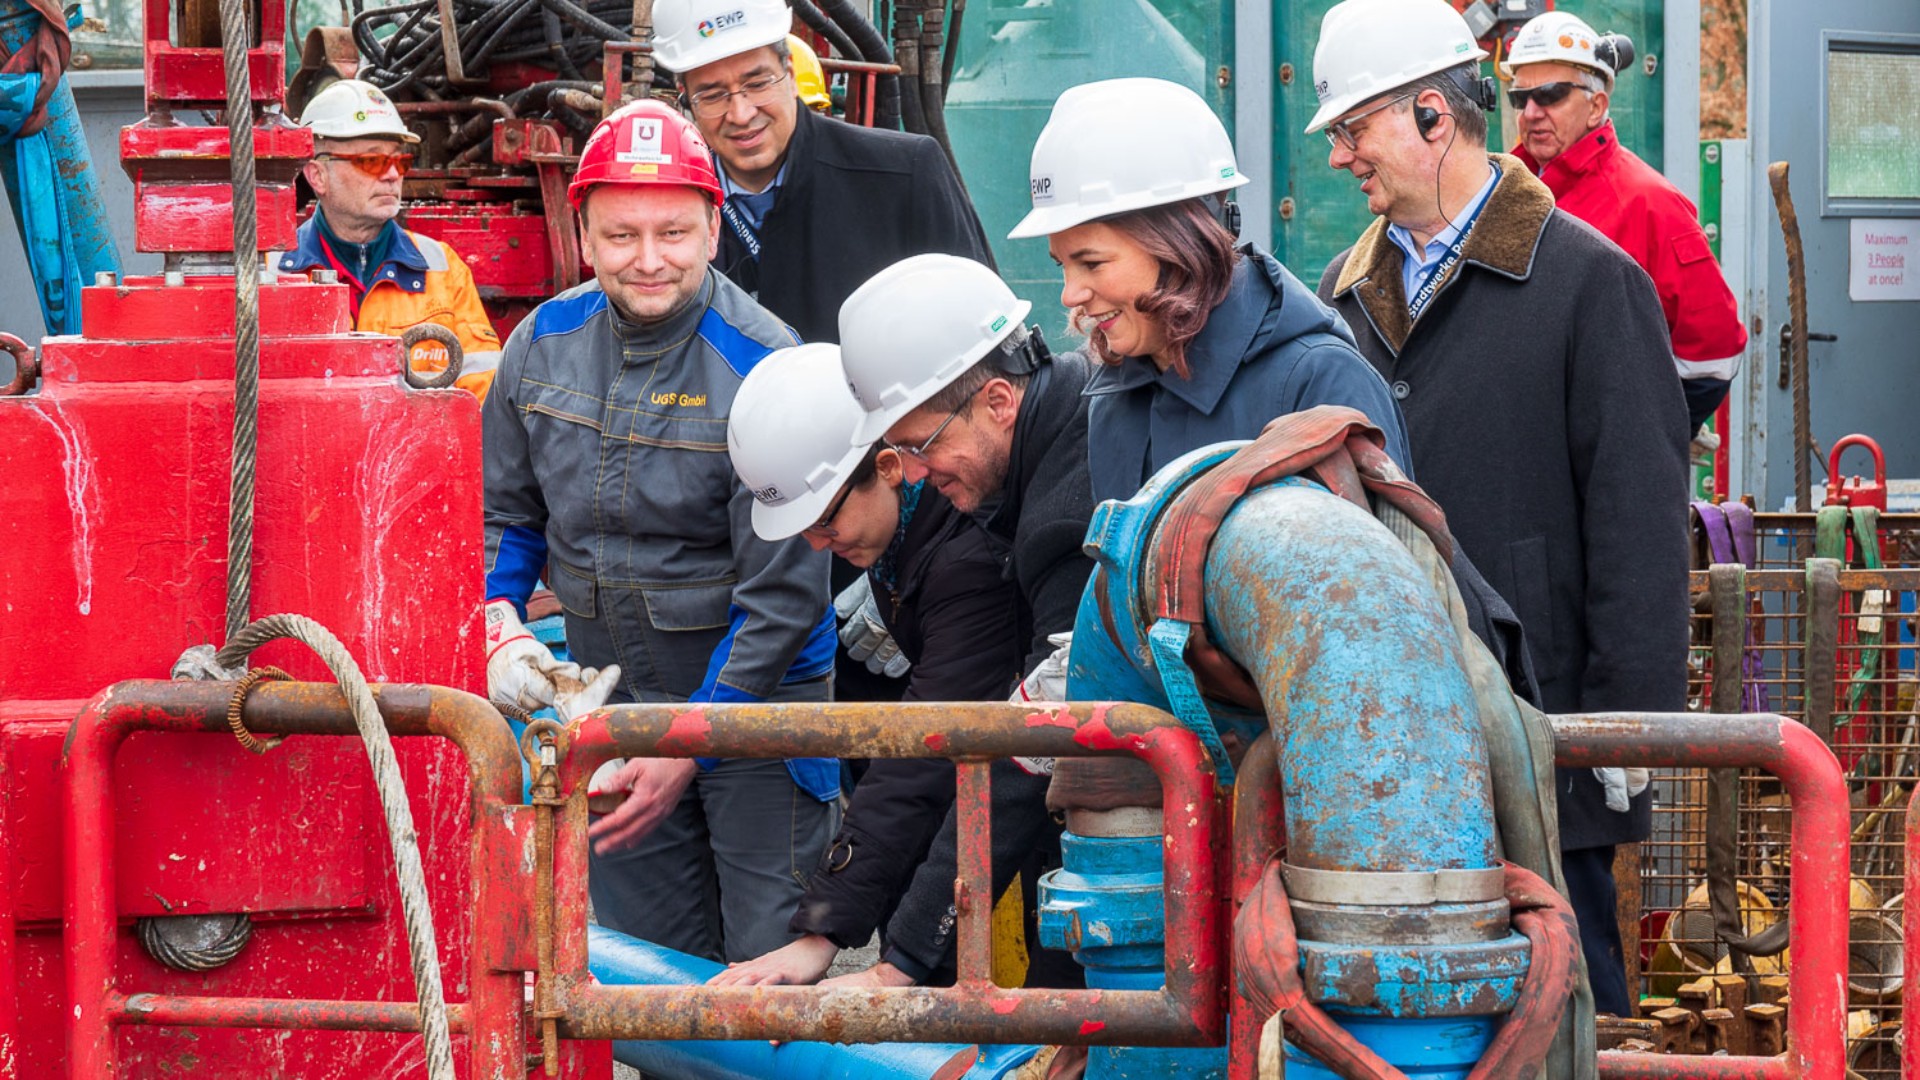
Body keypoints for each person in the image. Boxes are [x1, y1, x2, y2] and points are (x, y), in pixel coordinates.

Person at [1308, 0, 1689, 1016]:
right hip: (1382, 746)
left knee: (1569, 1007)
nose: (1343, 156)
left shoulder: (1589, 286)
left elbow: (1640, 528)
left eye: (1355, 129)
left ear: (1434, 115)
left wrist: (1628, 735)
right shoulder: (1337, 304)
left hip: (1544, 733)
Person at [481, 100, 840, 963]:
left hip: (759, 716)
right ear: (583, 235)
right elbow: (506, 515)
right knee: (647, 979)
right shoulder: (540, 345)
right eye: (621, 235)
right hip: (612, 709)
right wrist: (497, 620)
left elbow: (783, 597)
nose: (648, 261)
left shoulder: (763, 364)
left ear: (715, 229)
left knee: (770, 979)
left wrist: (691, 743)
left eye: (674, 232)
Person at [651, 0, 1000, 698]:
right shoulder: (667, 220)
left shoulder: (901, 177)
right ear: (682, 100)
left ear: (789, 69)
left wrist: (916, 562)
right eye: (713, 94)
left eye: (756, 81)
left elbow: (990, 374)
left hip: (890, 569)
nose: (741, 112)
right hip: (731, 585)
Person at [710, 342, 1025, 986]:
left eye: (825, 522)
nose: (816, 545)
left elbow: (920, 752)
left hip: (1021, 816)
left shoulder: (966, 559)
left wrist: (824, 930)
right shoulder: (904, 534)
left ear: (886, 466)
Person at [824, 253, 1095, 988]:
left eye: (922, 445)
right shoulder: (1054, 450)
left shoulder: (1067, 515)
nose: (912, 474)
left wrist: (906, 958)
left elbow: (1024, 753)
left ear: (1000, 401)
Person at [1006, 76, 1411, 500]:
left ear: (1182, 245)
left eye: (1092, 262)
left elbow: (1388, 563)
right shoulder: (1115, 399)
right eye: (1063, 266)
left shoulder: (1319, 384)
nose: (1070, 295)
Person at [1504, 11, 1747, 431]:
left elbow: (1714, 353)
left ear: (1597, 105)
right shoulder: (1502, 193)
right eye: (1519, 97)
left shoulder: (1650, 203)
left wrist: (1644, 436)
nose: (1531, 112)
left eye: (1550, 94)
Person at [282, 79, 501, 397]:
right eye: (372, 161)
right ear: (318, 176)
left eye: (399, 161)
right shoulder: (278, 274)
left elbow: (484, 394)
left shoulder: (441, 267)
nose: (392, 175)